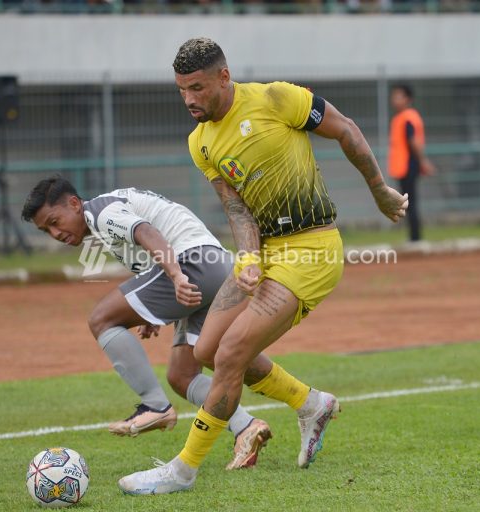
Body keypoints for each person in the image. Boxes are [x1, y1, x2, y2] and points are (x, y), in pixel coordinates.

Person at [118, 37, 408, 495]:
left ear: (224, 77)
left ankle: (183, 470)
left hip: (312, 250)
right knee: (207, 351)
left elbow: (347, 130)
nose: (188, 99)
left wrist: (379, 190)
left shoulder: (276, 97)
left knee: (231, 354)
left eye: (196, 87)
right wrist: (249, 258)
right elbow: (237, 209)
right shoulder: (200, 143)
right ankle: (309, 403)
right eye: (180, 90)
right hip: (268, 252)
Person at [21, 176, 273, 470]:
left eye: (54, 221)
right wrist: (152, 315)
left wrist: (177, 276)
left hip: (193, 263)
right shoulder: (103, 220)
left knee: (101, 319)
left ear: (74, 204)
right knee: (183, 375)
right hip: (214, 265)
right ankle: (250, 425)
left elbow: (146, 231)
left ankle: (155, 406)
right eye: (45, 230)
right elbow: (149, 255)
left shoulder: (102, 213)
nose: (54, 233)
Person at [388, 84, 435, 243]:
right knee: (407, 203)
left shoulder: (408, 117)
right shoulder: (400, 118)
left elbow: (413, 141)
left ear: (408, 99)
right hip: (403, 166)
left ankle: (415, 238)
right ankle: (414, 236)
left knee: (410, 202)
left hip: (408, 165)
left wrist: (423, 161)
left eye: (398, 96)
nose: (394, 99)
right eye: (393, 96)